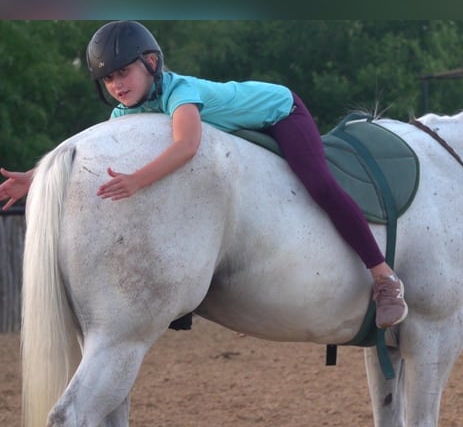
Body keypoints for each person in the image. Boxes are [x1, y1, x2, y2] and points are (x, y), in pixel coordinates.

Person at [0, 21, 408, 328]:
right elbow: (88, 147)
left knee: (318, 184)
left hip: (280, 113)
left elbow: (187, 146)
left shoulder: (180, 92)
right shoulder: (124, 113)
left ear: (152, 63)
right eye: (108, 78)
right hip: (239, 124)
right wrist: (35, 178)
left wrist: (136, 180)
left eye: (123, 72)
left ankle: (383, 276)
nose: (116, 85)